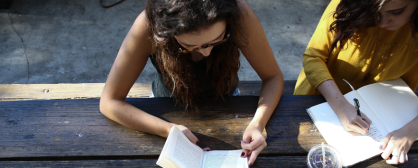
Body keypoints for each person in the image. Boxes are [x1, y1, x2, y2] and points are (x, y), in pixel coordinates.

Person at [99, 0, 284, 166]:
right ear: (166, 32)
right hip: (164, 108)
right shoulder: (149, 25)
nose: (206, 53)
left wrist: (258, 123)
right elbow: (109, 102)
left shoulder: (238, 12)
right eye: (189, 47)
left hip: (227, 101)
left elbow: (273, 77)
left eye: (217, 40)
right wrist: (170, 130)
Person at [294, 0, 418, 165]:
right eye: (374, 12)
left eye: (397, 12)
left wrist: (410, 132)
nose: (382, 22)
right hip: (319, 97)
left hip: (391, 115)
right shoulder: (348, 3)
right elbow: (314, 57)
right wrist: (341, 106)